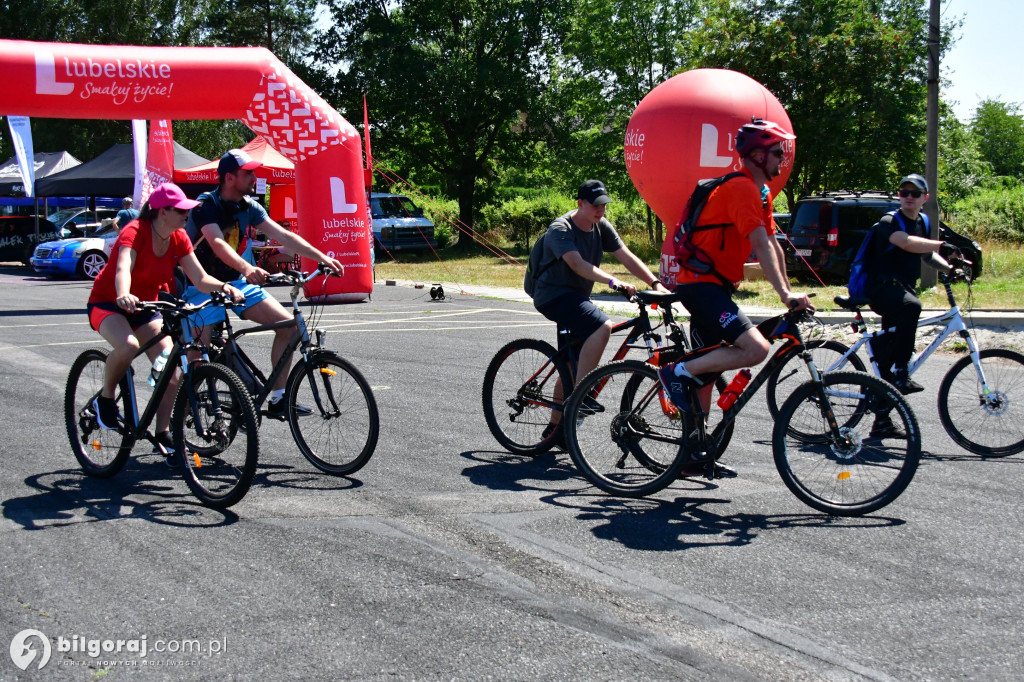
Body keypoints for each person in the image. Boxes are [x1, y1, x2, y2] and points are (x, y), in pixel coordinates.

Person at [657, 119, 812, 477]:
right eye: (777, 152)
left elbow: (772, 245)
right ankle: (675, 371)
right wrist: (785, 294)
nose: (782, 159)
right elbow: (758, 243)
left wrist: (789, 293)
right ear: (757, 155)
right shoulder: (740, 189)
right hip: (700, 285)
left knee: (707, 375)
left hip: (716, 285)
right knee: (756, 349)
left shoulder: (762, 194)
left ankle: (693, 454)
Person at [180, 148, 344, 418]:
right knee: (198, 364)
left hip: (237, 283)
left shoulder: (250, 207)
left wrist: (322, 257)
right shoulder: (205, 206)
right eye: (248, 173)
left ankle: (279, 398)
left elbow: (283, 235)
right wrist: (247, 266)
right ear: (230, 178)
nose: (254, 177)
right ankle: (177, 430)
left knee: (290, 327)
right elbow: (217, 242)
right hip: (202, 288)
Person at [87, 183, 243, 462]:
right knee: (127, 346)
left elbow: (199, 278)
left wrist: (224, 287)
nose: (187, 214)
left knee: (172, 368)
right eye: (181, 210)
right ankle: (106, 400)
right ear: (162, 212)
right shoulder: (135, 231)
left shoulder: (178, 236)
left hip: (146, 307)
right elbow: (123, 267)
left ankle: (163, 431)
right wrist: (124, 293)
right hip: (110, 303)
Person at [533, 179, 670, 440]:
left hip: (576, 297)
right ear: (580, 204)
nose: (600, 210)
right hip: (553, 296)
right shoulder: (560, 229)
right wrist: (612, 280)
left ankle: (555, 430)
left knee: (571, 364)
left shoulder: (600, 226)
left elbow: (626, 256)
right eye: (595, 205)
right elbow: (577, 264)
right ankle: (580, 396)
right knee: (602, 326)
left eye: (604, 205)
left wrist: (654, 283)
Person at [863, 173, 956, 435]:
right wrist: (942, 244)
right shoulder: (890, 221)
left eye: (915, 194)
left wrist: (949, 267)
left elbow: (925, 254)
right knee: (912, 307)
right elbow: (904, 242)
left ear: (925, 198)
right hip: (881, 288)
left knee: (886, 357)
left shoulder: (923, 221)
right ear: (899, 196)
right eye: (904, 192)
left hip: (901, 290)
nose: (909, 197)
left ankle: (881, 421)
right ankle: (902, 372)